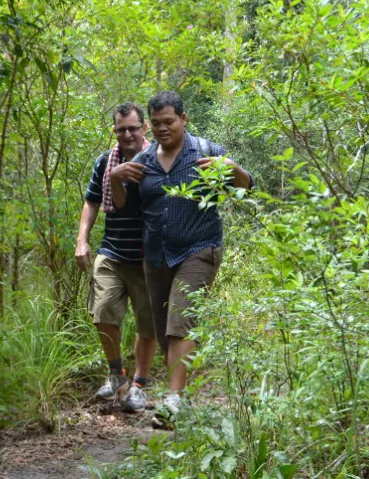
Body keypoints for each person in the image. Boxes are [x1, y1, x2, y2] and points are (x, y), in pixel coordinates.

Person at [110, 91, 253, 427]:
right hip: (156, 255)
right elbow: (123, 206)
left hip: (199, 248)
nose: (163, 128)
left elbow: (247, 187)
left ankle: (173, 402)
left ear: (184, 119)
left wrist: (232, 169)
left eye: (169, 122)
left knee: (180, 322)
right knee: (164, 331)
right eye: (156, 123)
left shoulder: (207, 151)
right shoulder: (144, 160)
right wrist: (116, 178)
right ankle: (180, 393)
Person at [75, 102, 158, 413]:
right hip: (112, 251)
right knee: (103, 314)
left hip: (149, 257)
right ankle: (116, 375)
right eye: (121, 129)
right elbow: (92, 202)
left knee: (147, 325)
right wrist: (82, 240)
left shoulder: (158, 160)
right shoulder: (104, 163)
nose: (127, 134)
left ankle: (139, 384)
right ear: (114, 130)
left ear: (144, 128)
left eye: (133, 128)